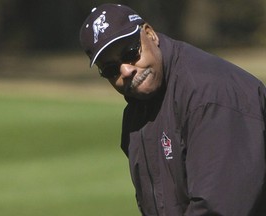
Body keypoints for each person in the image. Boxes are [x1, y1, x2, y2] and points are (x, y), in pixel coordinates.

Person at [79, 3, 266, 216]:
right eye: (111, 69)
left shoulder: (210, 96)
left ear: (150, 34)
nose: (127, 70)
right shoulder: (140, 107)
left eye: (131, 53)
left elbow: (220, 208)